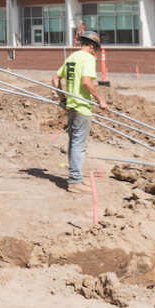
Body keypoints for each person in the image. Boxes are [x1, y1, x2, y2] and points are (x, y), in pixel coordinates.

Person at [51, 31, 109, 193]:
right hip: (82, 107)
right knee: (78, 144)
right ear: (91, 46)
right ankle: (75, 181)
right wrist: (100, 99)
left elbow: (55, 79)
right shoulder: (88, 58)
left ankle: (76, 178)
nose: (95, 52)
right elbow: (86, 81)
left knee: (74, 143)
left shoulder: (72, 57)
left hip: (71, 105)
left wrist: (63, 98)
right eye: (95, 49)